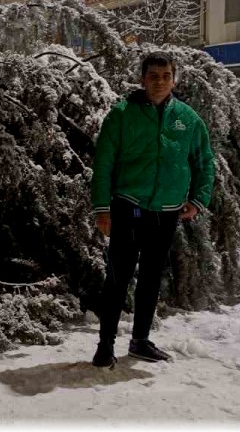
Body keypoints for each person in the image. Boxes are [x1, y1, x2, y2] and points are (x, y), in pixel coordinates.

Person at [90, 52, 215, 368]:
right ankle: (105, 345)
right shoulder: (121, 115)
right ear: (142, 79)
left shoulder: (187, 118)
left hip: (167, 211)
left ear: (174, 79)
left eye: (166, 75)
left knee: (150, 278)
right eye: (153, 75)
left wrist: (198, 199)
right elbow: (103, 164)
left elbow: (203, 161)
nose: (160, 81)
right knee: (118, 278)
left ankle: (140, 341)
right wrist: (102, 210)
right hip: (129, 208)